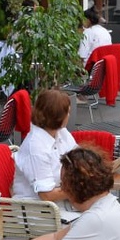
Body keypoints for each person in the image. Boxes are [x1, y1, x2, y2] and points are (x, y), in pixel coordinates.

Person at [13, 88, 79, 216]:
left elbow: (79, 159)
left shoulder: (61, 132)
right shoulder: (36, 147)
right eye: (68, 112)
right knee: (97, 223)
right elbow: (47, 195)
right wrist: (83, 188)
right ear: (58, 116)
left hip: (61, 205)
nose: (69, 116)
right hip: (38, 212)